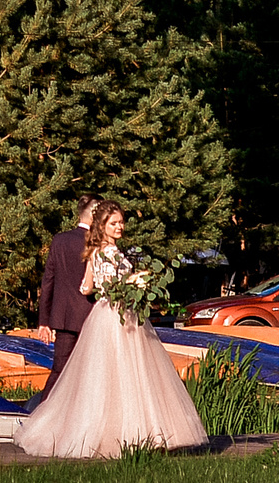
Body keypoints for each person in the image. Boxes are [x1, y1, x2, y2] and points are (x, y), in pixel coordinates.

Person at [17, 200, 207, 457]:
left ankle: (134, 433)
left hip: (119, 312)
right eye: (114, 223)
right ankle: (119, 435)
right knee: (117, 374)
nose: (120, 227)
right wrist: (135, 280)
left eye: (121, 222)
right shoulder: (105, 251)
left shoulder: (100, 250)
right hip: (114, 314)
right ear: (102, 225)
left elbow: (86, 287)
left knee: (127, 374)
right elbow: (107, 285)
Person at [37, 195, 98, 385]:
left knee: (59, 372)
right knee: (91, 374)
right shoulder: (99, 243)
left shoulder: (60, 240)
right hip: (92, 316)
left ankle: (43, 411)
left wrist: (44, 321)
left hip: (64, 318)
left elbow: (48, 281)